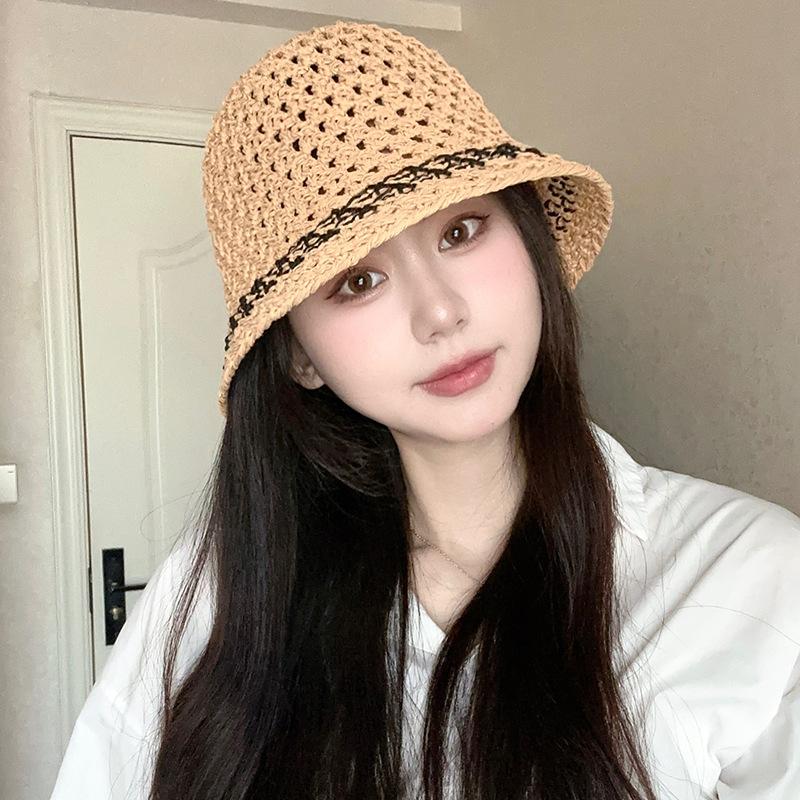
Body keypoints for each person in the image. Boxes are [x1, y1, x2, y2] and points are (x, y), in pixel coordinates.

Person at [50, 19, 800, 800]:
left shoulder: (751, 577)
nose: (440, 313)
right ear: (301, 357)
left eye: (461, 231)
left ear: (529, 241)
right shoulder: (220, 594)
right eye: (357, 281)